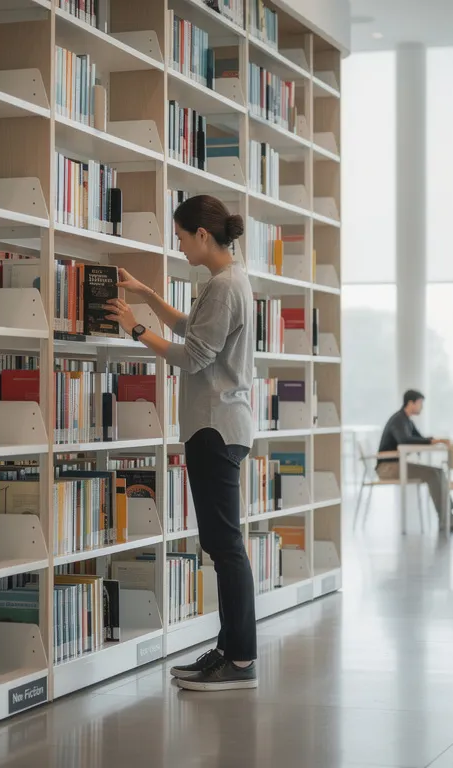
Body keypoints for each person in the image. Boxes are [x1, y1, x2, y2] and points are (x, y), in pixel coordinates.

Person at [104, 194, 258, 692]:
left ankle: (238, 661)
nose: (179, 244)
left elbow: (191, 357)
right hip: (220, 426)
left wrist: (135, 329)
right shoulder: (227, 283)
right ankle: (230, 649)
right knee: (222, 544)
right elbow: (191, 330)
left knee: (225, 546)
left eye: (181, 236)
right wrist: (147, 292)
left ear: (203, 236)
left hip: (214, 428)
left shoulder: (224, 286)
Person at [375, 390, 453, 529]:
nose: (422, 407)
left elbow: (419, 438)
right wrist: (433, 441)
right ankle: (446, 519)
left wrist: (434, 440)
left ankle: (449, 516)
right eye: (420, 403)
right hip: (387, 468)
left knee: (437, 471)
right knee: (432, 474)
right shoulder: (398, 420)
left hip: (396, 465)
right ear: (411, 403)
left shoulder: (406, 421)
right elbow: (405, 441)